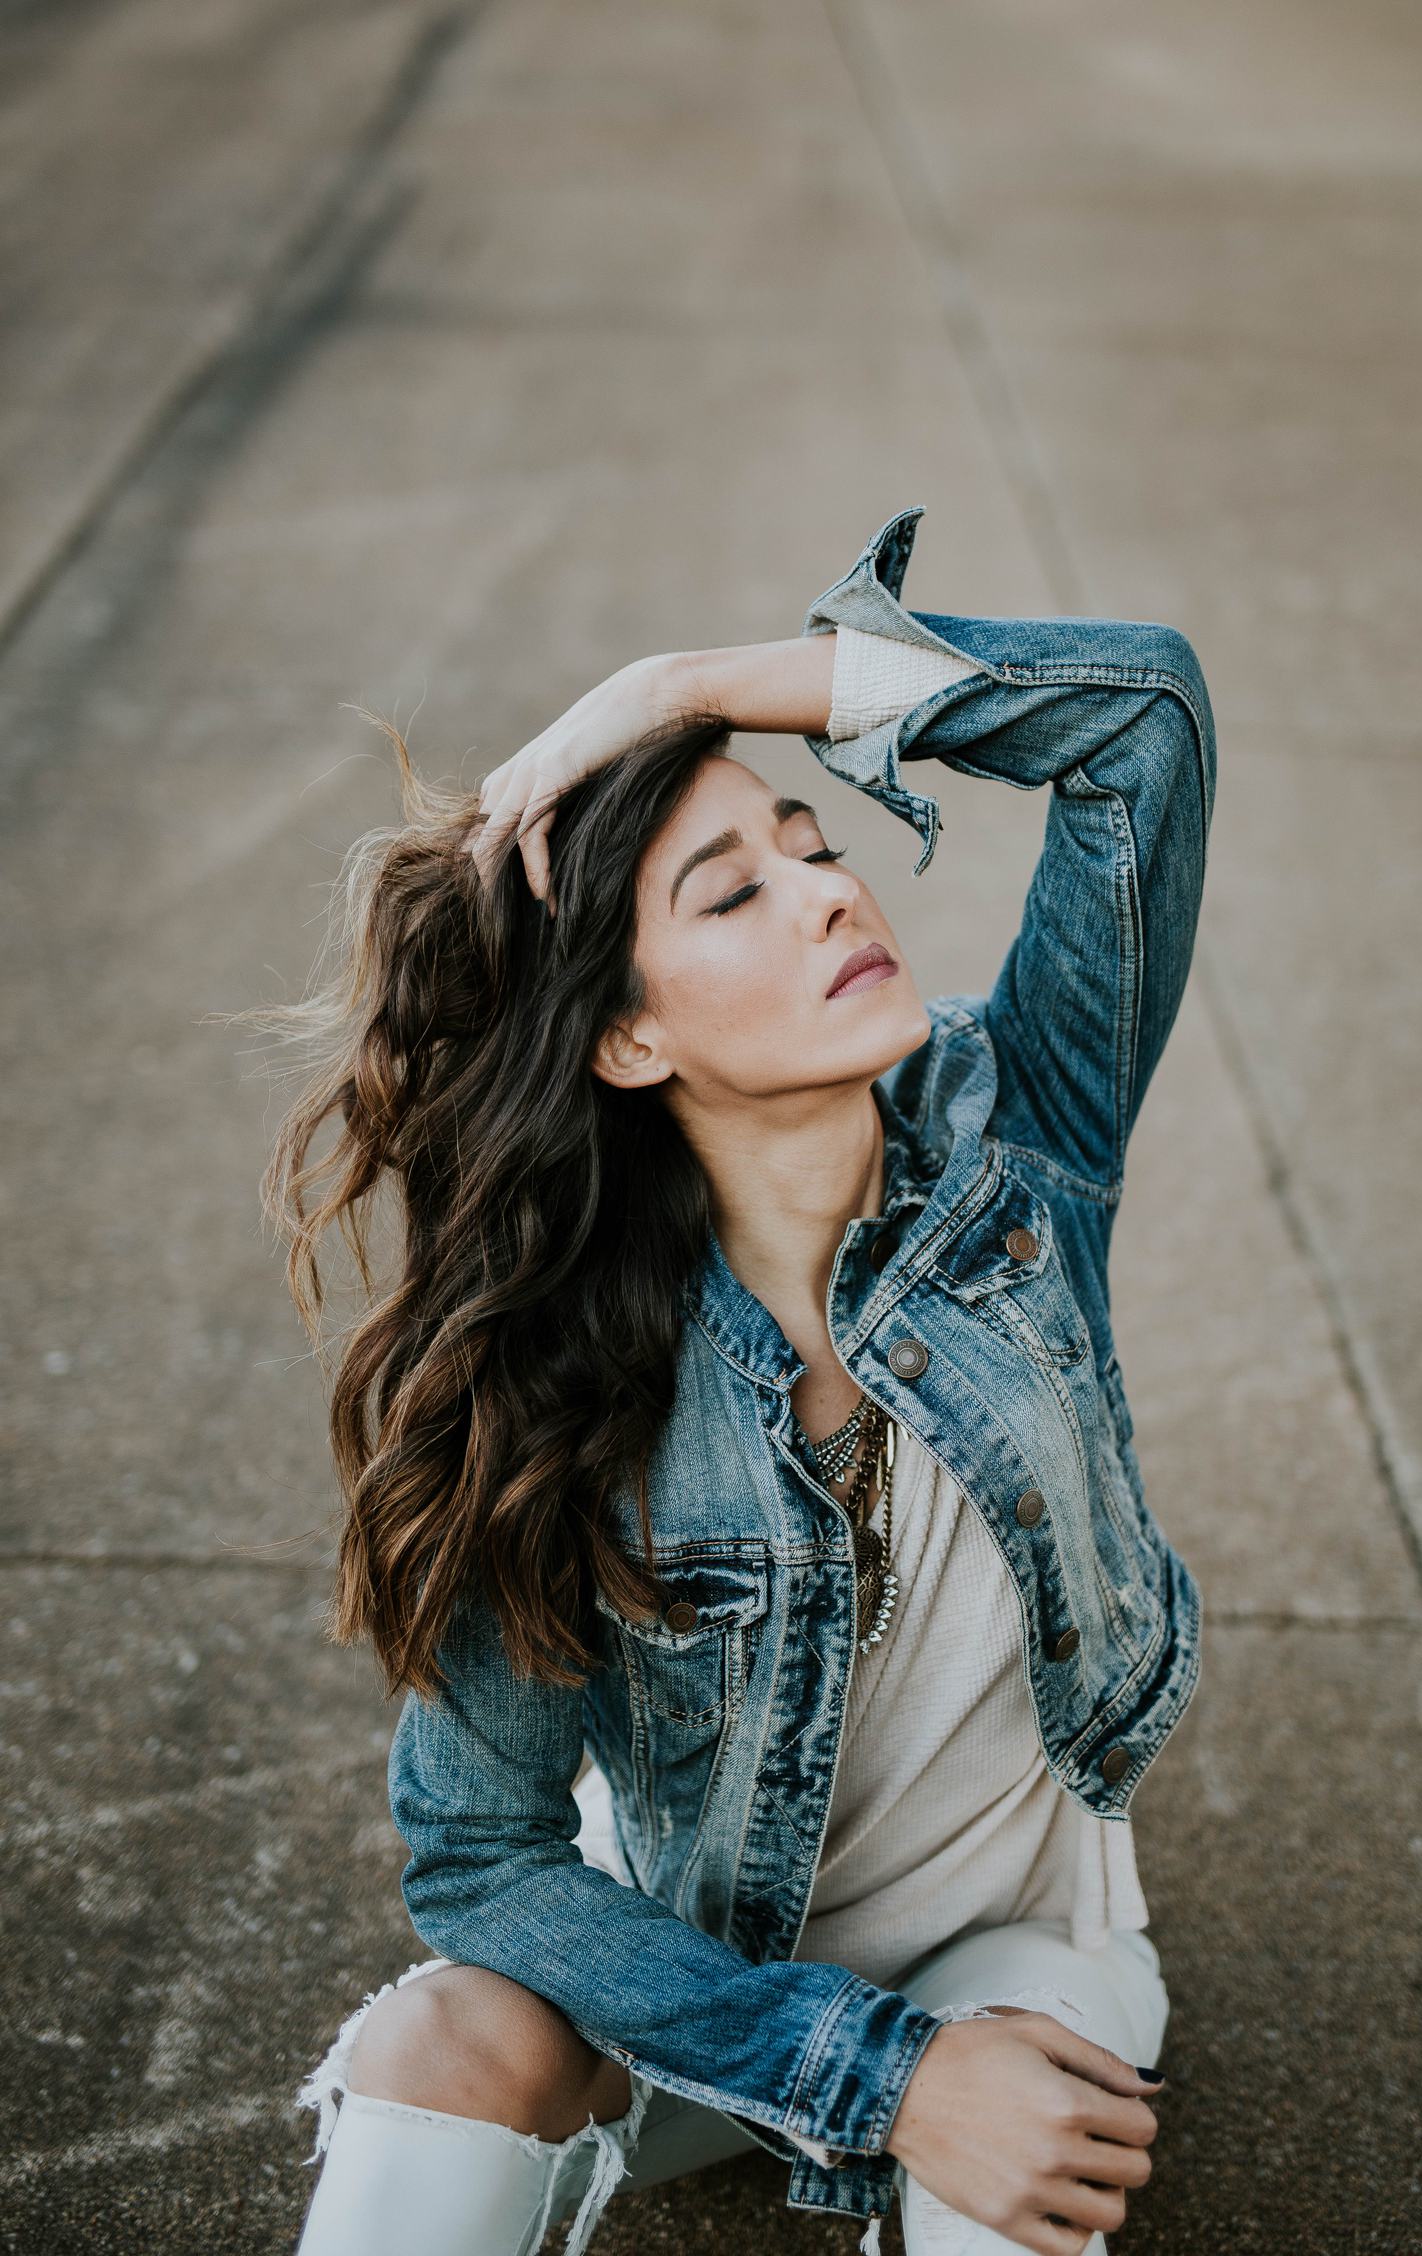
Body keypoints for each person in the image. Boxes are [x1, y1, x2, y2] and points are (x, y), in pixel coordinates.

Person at [261, 504, 1216, 2256]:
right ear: (631, 1038)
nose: (832, 886)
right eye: (737, 891)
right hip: (715, 1989)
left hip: (1015, 1958)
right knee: (439, 2033)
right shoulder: (561, 1380)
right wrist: (867, 2072)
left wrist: (684, 685)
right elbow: (483, 1858)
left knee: (1016, 2149)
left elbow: (1140, 722)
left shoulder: (1027, 1157)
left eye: (811, 842)